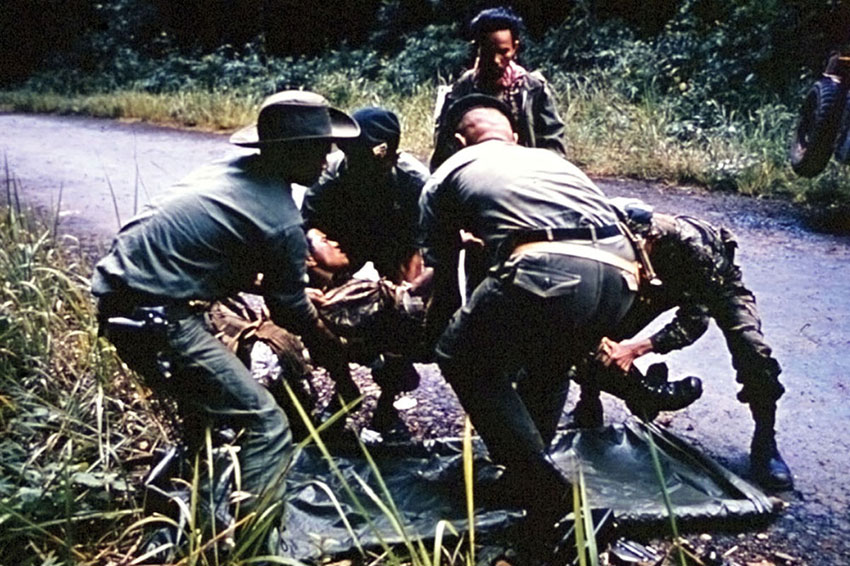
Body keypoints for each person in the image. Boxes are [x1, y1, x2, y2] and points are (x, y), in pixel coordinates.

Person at [91, 91, 361, 522]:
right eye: (319, 149)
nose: (327, 160)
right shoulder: (279, 218)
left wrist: (279, 287)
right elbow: (290, 309)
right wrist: (331, 346)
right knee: (265, 423)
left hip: (123, 295)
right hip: (155, 314)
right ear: (291, 152)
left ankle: (179, 501)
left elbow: (223, 262)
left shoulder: (235, 174)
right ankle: (252, 543)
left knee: (206, 406)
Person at [419, 94, 636, 555]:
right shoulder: (550, 161)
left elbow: (445, 292)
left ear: (457, 141)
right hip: (621, 274)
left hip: (545, 268)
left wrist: (436, 335)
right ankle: (528, 472)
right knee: (550, 362)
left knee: (461, 356)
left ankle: (547, 491)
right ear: (513, 137)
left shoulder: (447, 174)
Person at [582, 199, 793, 490]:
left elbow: (694, 321)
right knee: (599, 328)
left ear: (651, 239)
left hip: (717, 285)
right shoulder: (625, 239)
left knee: (753, 352)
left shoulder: (694, 246)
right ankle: (589, 404)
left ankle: (765, 441)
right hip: (659, 281)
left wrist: (637, 348)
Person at [302, 107, 430, 284]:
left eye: (371, 169)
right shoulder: (326, 177)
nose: (362, 174)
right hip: (345, 242)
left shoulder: (415, 182)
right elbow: (306, 226)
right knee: (306, 263)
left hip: (393, 243)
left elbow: (418, 244)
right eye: (355, 164)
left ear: (393, 159)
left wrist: (409, 291)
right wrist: (316, 240)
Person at [430, 6, 567, 170]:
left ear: (515, 48)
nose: (496, 60)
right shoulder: (460, 92)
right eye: (489, 51)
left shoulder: (533, 90)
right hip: (474, 174)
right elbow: (443, 152)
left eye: (503, 52)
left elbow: (552, 145)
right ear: (478, 48)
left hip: (526, 173)